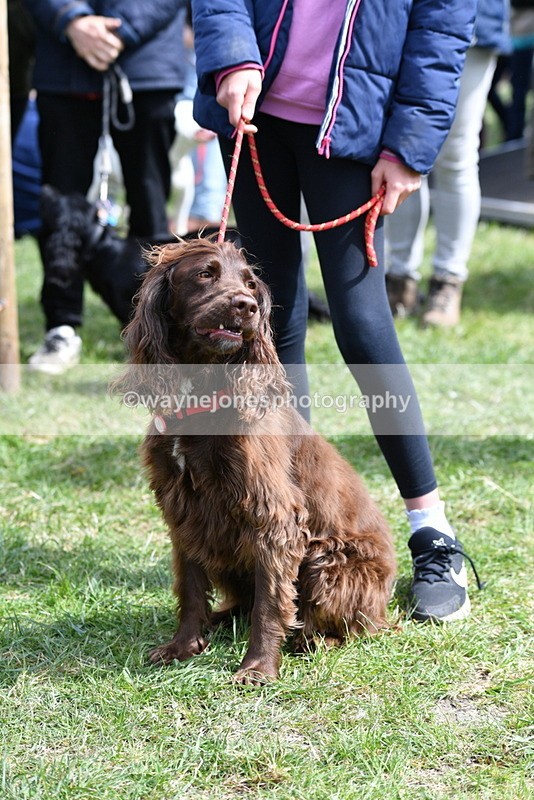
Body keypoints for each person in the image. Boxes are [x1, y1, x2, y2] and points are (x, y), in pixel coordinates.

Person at [191, 0, 481, 623]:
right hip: (255, 116)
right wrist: (232, 57)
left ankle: (433, 533)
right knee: (269, 325)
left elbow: (441, 29)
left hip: (354, 123)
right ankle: (286, 524)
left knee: (362, 323)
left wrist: (409, 143)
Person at [23, 0, 187, 373]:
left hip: (147, 61)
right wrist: (71, 19)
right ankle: (61, 326)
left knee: (150, 206)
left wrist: (123, 28)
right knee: (60, 208)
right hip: (63, 65)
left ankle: (156, 330)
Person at [385, 0, 509, 327]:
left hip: (475, 23)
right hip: (403, 17)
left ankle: (448, 280)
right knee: (402, 149)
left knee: (457, 152)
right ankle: (399, 280)